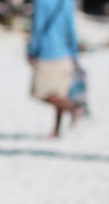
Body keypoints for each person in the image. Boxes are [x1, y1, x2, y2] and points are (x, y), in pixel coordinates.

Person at [27, 0, 82, 138]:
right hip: (65, 53)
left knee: (39, 92)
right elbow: (71, 29)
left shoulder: (41, 2)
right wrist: (74, 53)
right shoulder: (67, 2)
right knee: (59, 95)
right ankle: (56, 131)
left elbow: (37, 27)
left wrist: (32, 50)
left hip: (47, 52)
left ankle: (73, 108)